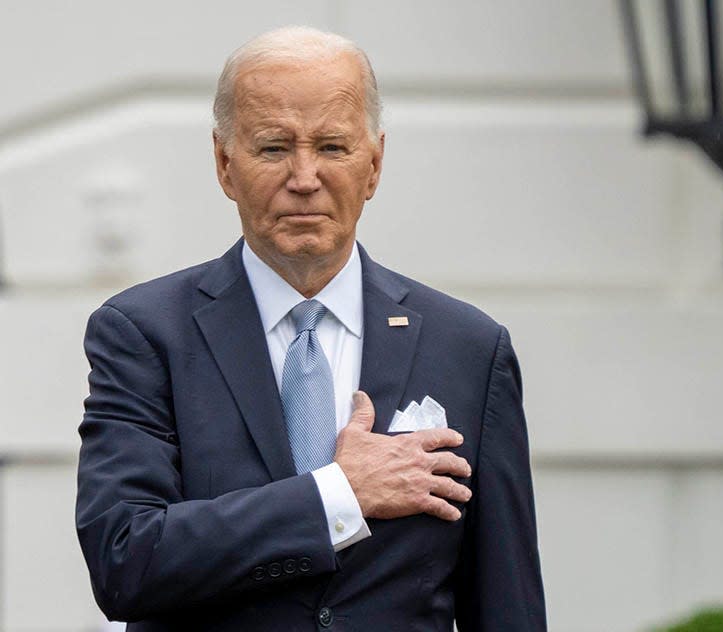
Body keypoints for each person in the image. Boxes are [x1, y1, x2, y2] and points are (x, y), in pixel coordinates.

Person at [76, 26, 546, 631]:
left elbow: (507, 604)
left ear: (374, 165)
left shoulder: (469, 349)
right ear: (225, 164)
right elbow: (125, 559)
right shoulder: (144, 335)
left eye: (331, 147)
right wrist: (338, 495)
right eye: (273, 148)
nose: (304, 177)